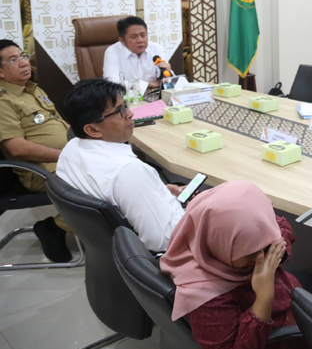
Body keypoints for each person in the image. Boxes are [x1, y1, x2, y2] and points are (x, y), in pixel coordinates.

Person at [161, 181, 312, 349]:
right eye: (250, 253)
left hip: (291, 305)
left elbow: (279, 226)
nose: (261, 258)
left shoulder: (223, 233)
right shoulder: (206, 298)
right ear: (222, 244)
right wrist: (263, 299)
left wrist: (277, 253)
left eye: (266, 247)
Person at [56, 79, 185, 252]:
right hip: (174, 249)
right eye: (119, 111)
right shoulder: (128, 171)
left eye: (125, 107)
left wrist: (156, 191)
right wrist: (195, 211)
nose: (130, 114)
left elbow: (111, 193)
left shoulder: (71, 148)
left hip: (113, 250)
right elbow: (162, 241)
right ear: (93, 130)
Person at [0, 39, 71, 262]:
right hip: (40, 170)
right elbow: (16, 148)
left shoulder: (32, 89)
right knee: (101, 180)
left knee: (116, 165)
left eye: (22, 56)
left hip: (65, 159)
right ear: (0, 72)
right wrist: (66, 156)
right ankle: (55, 228)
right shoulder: (3, 102)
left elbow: (61, 125)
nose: (24, 62)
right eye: (13, 60)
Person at [103, 17, 170, 88]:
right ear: (122, 40)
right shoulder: (113, 52)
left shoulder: (155, 48)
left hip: (154, 93)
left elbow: (167, 81)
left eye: (143, 35)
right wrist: (149, 84)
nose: (140, 40)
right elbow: (113, 85)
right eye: (133, 37)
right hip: (127, 94)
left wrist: (167, 74)